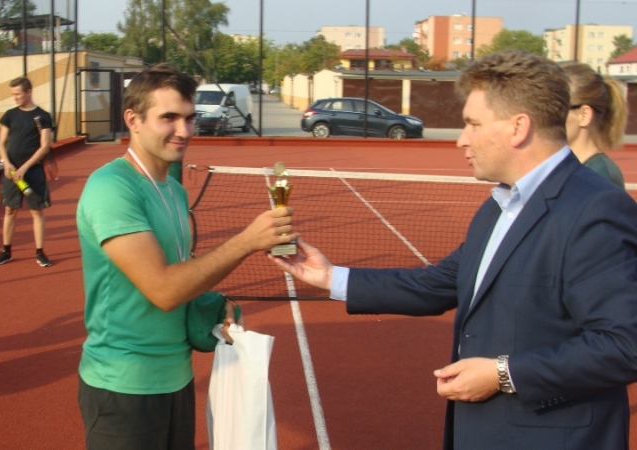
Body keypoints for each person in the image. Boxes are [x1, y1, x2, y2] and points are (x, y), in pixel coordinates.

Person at [272, 50, 637, 449]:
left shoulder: (595, 208)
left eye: (473, 124)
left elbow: (624, 345)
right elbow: (439, 282)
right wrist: (330, 277)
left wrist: (503, 374)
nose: (462, 139)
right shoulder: (500, 204)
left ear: (518, 128)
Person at [75, 63, 295, 449]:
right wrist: (246, 241)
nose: (184, 130)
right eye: (169, 118)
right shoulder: (111, 187)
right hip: (123, 387)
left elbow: (178, 275)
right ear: (133, 120)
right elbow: (163, 289)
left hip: (176, 379)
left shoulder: (173, 191)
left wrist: (212, 302)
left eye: (190, 118)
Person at [0, 77, 53, 267]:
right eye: (13, 94)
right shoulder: (10, 115)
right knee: (10, 210)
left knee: (36, 211)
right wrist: (7, 164)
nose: (15, 97)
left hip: (33, 171)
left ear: (29, 92)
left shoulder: (43, 116)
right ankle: (6, 251)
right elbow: (1, 144)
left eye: (18, 94)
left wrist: (25, 168)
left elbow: (44, 146)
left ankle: (40, 252)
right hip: (11, 173)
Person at [563, 62, 628, 188]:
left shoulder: (600, 176)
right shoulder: (573, 168)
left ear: (584, 115)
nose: (546, 116)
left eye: (557, 108)